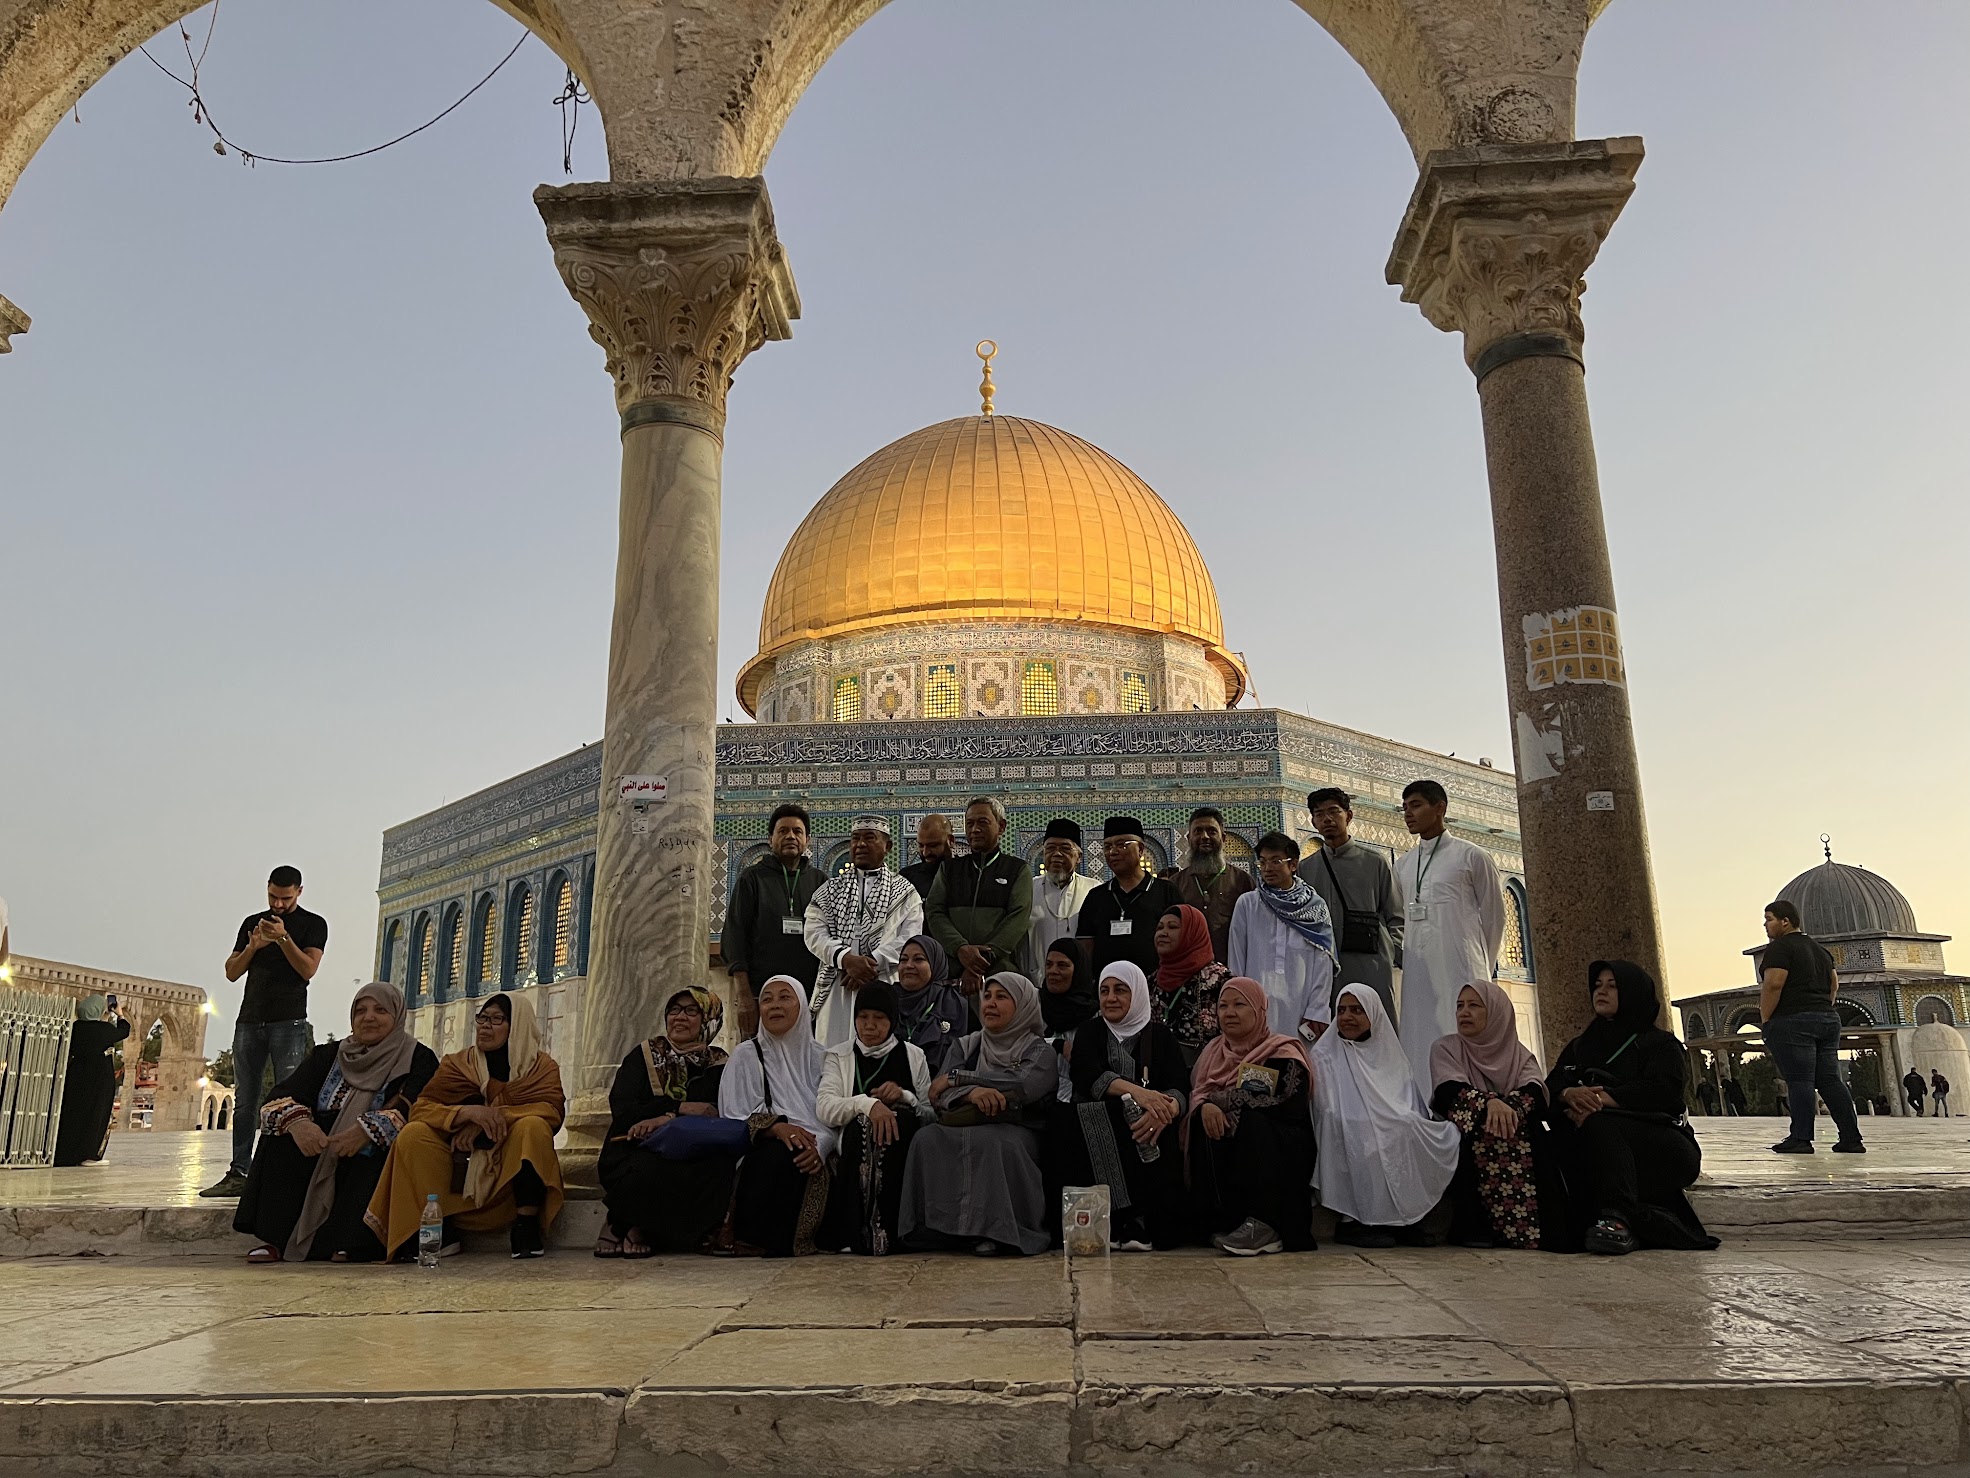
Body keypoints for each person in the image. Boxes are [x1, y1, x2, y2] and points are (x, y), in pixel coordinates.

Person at [235, 982, 438, 1264]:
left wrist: (366, 1131)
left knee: (376, 1153)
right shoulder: (329, 1055)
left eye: (380, 1010)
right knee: (280, 1135)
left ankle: (352, 1242)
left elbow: (419, 1104)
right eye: (361, 1011)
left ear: (397, 1015)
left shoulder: (418, 1058)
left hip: (370, 1145)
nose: (369, 1017)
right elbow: (281, 1096)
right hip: (322, 1142)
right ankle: (277, 1239)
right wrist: (300, 1125)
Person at [365, 992, 566, 1260]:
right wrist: (466, 1114)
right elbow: (422, 1108)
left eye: (496, 1019)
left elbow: (550, 1111)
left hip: (508, 1178)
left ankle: (525, 1225)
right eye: (482, 1018)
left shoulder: (540, 1068)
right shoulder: (459, 1064)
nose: (484, 1026)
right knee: (414, 1135)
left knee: (532, 1126)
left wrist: (493, 1118)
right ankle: (442, 1229)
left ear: (517, 1025)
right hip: (458, 1169)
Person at [1547, 962, 1718, 1255]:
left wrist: (1603, 1101)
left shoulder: (1659, 1045)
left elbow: (1664, 1093)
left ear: (1632, 992)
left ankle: (1618, 1219)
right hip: (1596, 1145)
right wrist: (1568, 1094)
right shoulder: (1580, 1047)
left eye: (1612, 985)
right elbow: (1549, 1090)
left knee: (1600, 1123)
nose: (1601, 991)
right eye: (1598, 985)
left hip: (1663, 1149)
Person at [899, 972, 1056, 1256]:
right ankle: (936, 1230)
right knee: (927, 1138)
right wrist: (971, 1094)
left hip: (1017, 1127)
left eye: (1001, 997)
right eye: (987, 996)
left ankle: (998, 1231)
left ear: (1023, 1004)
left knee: (996, 1144)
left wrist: (960, 1078)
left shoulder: (1039, 1050)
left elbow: (1022, 1086)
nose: (990, 1004)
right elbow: (938, 1094)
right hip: (964, 1120)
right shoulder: (967, 1044)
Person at [203, 865, 327, 1198]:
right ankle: (238, 1171)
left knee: (289, 1098)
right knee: (246, 1100)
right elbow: (231, 972)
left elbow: (307, 969)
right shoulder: (251, 923)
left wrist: (284, 938)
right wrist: (254, 946)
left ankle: (281, 1172)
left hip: (288, 1022)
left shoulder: (313, 925)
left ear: (299, 892)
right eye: (273, 896)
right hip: (250, 1020)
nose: (278, 904)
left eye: (285, 898)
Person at [1051, 962, 1189, 1250]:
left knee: (1149, 1126)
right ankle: (1110, 1220)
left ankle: (1141, 1222)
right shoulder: (1091, 1031)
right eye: (1104, 990)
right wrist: (1140, 1094)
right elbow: (1085, 1073)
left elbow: (1179, 1086)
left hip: (1151, 1127)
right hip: (1099, 1124)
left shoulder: (1160, 1035)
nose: (1111, 998)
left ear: (1137, 994)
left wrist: (1165, 1111)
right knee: (1095, 1116)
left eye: (1120, 990)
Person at [1311, 984, 1459, 1248]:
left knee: (1409, 1128)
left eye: (1357, 1010)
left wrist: (1398, 1119)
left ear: (1373, 1015)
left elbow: (1408, 1101)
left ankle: (1404, 1221)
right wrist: (1367, 1118)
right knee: (1365, 1131)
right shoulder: (1324, 1054)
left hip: (1389, 1124)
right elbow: (1326, 1106)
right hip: (1345, 1123)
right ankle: (1355, 1223)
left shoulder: (1390, 1053)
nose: (1347, 1017)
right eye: (1342, 1010)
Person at [595, 986, 731, 1258]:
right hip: (634, 1144)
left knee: (716, 1166)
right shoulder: (645, 1055)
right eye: (674, 1010)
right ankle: (626, 1225)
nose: (680, 1017)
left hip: (693, 1150)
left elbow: (717, 1112)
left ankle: (632, 1227)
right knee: (651, 1166)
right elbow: (623, 1108)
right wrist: (676, 1109)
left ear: (709, 1020)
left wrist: (667, 1119)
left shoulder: (720, 1063)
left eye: (692, 1011)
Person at [1186, 976, 1316, 1256]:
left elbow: (1286, 1101)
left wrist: (1220, 1100)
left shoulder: (1282, 1052)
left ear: (1259, 1010)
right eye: (1222, 1006)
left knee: (1254, 1123)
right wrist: (1206, 1107)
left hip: (1279, 1150)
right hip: (1235, 1148)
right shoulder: (1212, 1053)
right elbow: (1199, 1095)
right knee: (1200, 1120)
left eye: (1239, 1005)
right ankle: (1223, 1221)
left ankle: (1266, 1224)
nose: (1229, 1012)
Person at [1429, 980, 1562, 1250]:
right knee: (1476, 1128)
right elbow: (1447, 1091)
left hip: (1516, 1127)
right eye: (1459, 1006)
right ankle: (1478, 1227)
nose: (1464, 1012)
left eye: (1474, 1006)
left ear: (1497, 1012)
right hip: (1470, 1127)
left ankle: (1531, 1230)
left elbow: (1535, 1093)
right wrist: (1489, 1104)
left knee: (1536, 1129)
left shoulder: (1521, 1056)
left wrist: (1507, 1108)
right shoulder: (1446, 1048)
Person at [1392, 783, 1505, 1088]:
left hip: (1463, 967)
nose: (1408, 814)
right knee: (1420, 1036)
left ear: (1439, 807)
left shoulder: (1472, 856)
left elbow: (1495, 917)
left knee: (1464, 1032)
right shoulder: (1403, 865)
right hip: (1419, 974)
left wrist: (1481, 967)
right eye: (1404, 808)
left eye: (1415, 806)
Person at [717, 975, 834, 1257]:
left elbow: (834, 1112)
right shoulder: (745, 1055)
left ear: (802, 1007)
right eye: (767, 999)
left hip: (820, 1148)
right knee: (779, 1154)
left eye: (785, 997)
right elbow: (733, 1115)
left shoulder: (822, 1057)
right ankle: (756, 1238)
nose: (774, 1006)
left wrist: (821, 1145)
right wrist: (777, 1128)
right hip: (765, 1147)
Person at [817, 983, 936, 1255]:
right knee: (863, 1127)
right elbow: (825, 1107)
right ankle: (858, 1232)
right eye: (863, 1017)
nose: (870, 1025)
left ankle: (894, 1232)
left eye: (879, 1018)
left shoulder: (913, 1055)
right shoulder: (839, 1055)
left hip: (902, 1148)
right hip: (854, 1147)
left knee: (900, 1123)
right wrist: (867, 1105)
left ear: (892, 1020)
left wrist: (906, 1096)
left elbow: (930, 1115)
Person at [804, 815, 924, 1049]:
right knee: (832, 1054)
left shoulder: (906, 892)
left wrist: (870, 964)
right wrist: (845, 959)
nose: (860, 844)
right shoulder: (829, 890)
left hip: (882, 980)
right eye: (855, 839)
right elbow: (813, 932)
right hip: (838, 984)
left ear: (887, 846)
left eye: (869, 838)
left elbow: (909, 939)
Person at [1758, 899, 1863, 1154]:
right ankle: (1851, 1138)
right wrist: (1821, 1008)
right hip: (1826, 1018)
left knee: (1799, 1079)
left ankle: (1801, 1138)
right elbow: (1833, 985)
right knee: (1829, 1080)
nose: (1765, 925)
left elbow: (1773, 984)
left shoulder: (1780, 949)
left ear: (1785, 921)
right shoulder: (1820, 951)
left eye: (1769, 919)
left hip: (1794, 1021)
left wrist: (1766, 1020)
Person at [1300, 788, 1404, 1025]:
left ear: (1348, 816)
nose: (1327, 819)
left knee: (1376, 1026)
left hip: (1370, 962)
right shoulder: (1307, 868)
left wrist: (1389, 953)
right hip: (1326, 968)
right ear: (1313, 821)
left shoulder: (1374, 862)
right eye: (1319, 814)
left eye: (1333, 812)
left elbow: (1396, 916)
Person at [725, 803, 827, 1038]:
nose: (790, 836)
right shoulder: (752, 878)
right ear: (770, 839)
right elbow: (735, 937)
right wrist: (744, 996)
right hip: (762, 996)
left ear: (807, 840)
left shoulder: (819, 881)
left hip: (810, 998)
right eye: (783, 831)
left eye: (797, 831)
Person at [1227, 833, 1337, 1041]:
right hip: (1257, 1005)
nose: (1268, 868)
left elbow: (1323, 963)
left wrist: (1317, 1010)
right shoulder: (1248, 904)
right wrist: (1239, 1003)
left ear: (1293, 864)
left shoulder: (1315, 907)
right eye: (1263, 862)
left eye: (1276, 861)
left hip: (1300, 1007)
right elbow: (1236, 959)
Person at [926, 798, 1032, 1004]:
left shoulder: (1017, 869)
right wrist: (960, 949)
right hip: (953, 976)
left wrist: (980, 962)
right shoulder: (950, 869)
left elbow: (1017, 918)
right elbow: (934, 911)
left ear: (1001, 827)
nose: (974, 829)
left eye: (982, 822)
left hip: (1000, 978)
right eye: (969, 823)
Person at [1077, 817, 1180, 979]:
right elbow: (1086, 949)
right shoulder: (1096, 897)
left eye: (1121, 845)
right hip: (1107, 992)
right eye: (1107, 846)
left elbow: (1180, 942)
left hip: (1157, 990)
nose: (1113, 852)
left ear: (1140, 849)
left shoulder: (1166, 892)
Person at [53, 994, 132, 1166]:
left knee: (74, 1112)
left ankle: (66, 1153)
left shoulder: (75, 1028)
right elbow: (124, 1030)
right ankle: (89, 1154)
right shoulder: (103, 1030)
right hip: (99, 1077)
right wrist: (119, 1014)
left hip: (76, 1074)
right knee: (96, 1113)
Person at [1173, 807, 1256, 964]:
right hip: (1189, 971)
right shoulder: (1175, 883)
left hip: (1231, 970)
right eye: (1198, 831)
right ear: (1189, 838)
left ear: (1223, 838)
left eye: (1211, 831)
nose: (1204, 837)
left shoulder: (1242, 881)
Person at [1152, 904, 1230, 1070]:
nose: (1162, 933)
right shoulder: (1151, 981)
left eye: (1172, 927)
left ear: (1192, 933)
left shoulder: (1220, 980)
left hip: (1208, 1076)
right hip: (1159, 1079)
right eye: (1159, 927)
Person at [1022, 818, 1099, 978]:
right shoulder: (1027, 889)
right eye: (1050, 849)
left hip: (1081, 984)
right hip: (1037, 983)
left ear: (1078, 856)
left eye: (1065, 849)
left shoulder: (1095, 890)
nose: (1056, 854)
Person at [894, 934, 970, 1075]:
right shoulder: (887, 999)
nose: (908, 965)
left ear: (936, 964)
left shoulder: (953, 1004)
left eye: (919, 959)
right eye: (903, 960)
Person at [1040, 938, 1100, 1038]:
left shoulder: (1097, 1016)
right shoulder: (1033, 1006)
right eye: (1049, 964)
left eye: (1062, 965)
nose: (1052, 971)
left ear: (1079, 970)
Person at [900, 814, 955, 901]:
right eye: (921, 846)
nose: (925, 853)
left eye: (933, 846)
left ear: (951, 841)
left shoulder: (966, 874)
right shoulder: (906, 878)